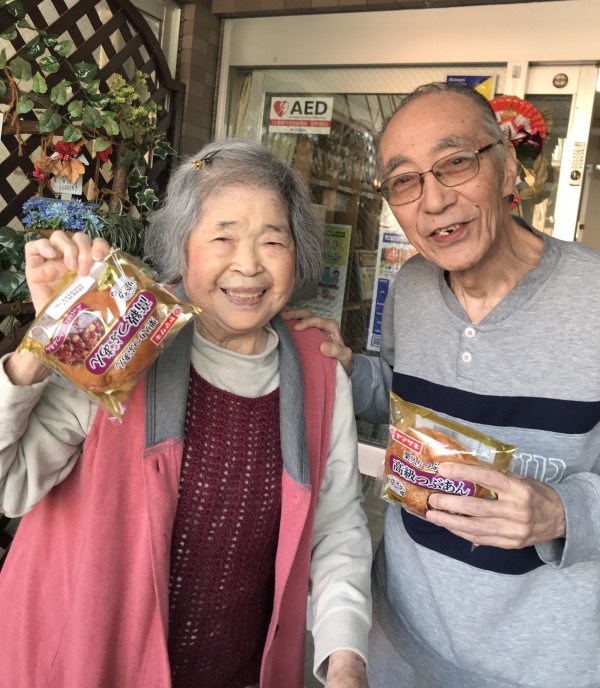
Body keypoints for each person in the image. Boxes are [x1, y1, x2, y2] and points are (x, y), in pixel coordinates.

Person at [0, 140, 372, 688]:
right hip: (88, 664)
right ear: (182, 248)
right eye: (223, 238)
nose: (248, 265)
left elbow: (336, 528)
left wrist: (345, 661)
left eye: (273, 240)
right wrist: (46, 339)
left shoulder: (318, 370)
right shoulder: (124, 338)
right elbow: (9, 487)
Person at [287, 82, 600, 688]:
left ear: (506, 166)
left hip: (544, 665)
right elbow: (405, 393)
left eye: (456, 163)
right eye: (404, 180)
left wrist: (562, 512)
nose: (433, 200)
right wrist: (345, 369)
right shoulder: (413, 286)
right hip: (399, 642)